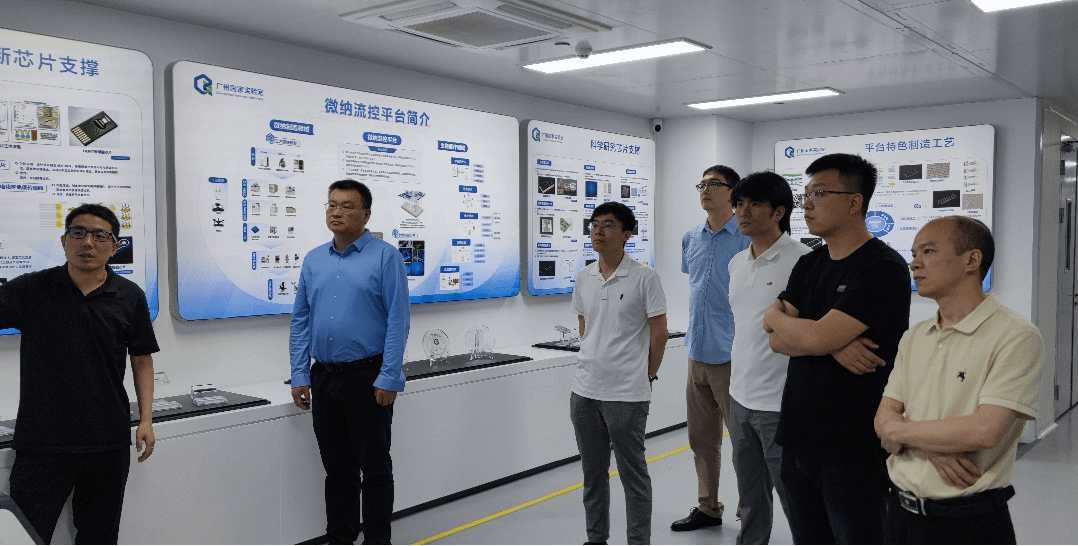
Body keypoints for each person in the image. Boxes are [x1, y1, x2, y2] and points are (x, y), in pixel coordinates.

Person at [763, 153, 910, 544]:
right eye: (805, 194)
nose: (806, 204)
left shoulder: (883, 267)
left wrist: (789, 323)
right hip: (798, 436)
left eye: (819, 193)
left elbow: (803, 335)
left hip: (853, 445)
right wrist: (829, 344)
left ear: (854, 202)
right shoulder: (810, 264)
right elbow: (774, 338)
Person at [874, 217, 1042, 545]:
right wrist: (931, 446)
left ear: (971, 260)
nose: (914, 263)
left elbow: (984, 430)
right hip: (900, 515)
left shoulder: (1016, 336)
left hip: (968, 522)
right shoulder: (915, 337)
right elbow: (883, 420)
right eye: (914, 254)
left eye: (928, 251)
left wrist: (903, 434)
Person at [0, 204, 158, 544]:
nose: (88, 242)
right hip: (41, 441)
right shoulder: (31, 289)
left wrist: (146, 420)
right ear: (64, 241)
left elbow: (141, 358)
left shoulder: (130, 296)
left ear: (114, 247)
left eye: (100, 236)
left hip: (106, 441)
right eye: (78, 232)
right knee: (25, 535)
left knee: (99, 536)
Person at [289, 180, 410, 546]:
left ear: (365, 214)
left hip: (367, 378)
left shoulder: (386, 257)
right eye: (331, 205)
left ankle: (377, 540)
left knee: (374, 471)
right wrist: (299, 374)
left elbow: (398, 320)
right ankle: (340, 538)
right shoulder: (314, 259)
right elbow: (300, 319)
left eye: (346, 206)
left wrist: (389, 376)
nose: (336, 212)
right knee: (337, 470)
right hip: (323, 377)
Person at [570, 201, 668, 546]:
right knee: (592, 473)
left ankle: (638, 540)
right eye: (595, 224)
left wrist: (648, 376)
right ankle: (596, 537)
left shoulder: (645, 277)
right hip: (584, 390)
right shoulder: (584, 276)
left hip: (626, 392)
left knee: (633, 474)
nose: (598, 231)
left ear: (627, 234)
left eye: (608, 225)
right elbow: (584, 324)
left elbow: (659, 333)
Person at [727, 172, 810, 545]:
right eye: (740, 203)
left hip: (781, 400)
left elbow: (815, 331)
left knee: (796, 497)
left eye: (755, 204)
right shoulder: (736, 263)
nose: (743, 212)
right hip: (739, 395)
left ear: (779, 212)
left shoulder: (804, 261)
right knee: (750, 494)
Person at [672, 165, 750, 532]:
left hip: (733, 353)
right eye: (702, 184)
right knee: (701, 440)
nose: (705, 190)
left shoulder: (747, 239)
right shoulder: (691, 237)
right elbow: (697, 287)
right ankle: (708, 507)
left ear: (733, 192)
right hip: (697, 350)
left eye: (714, 184)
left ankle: (750, 511)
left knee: (743, 441)